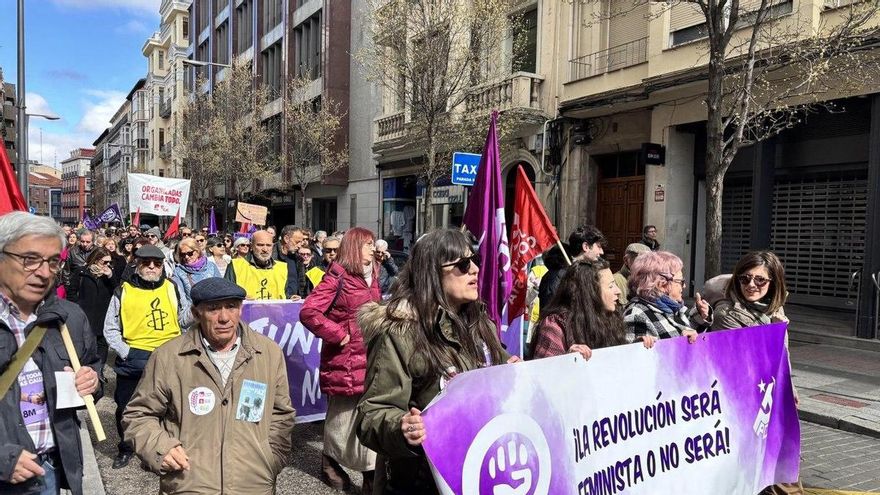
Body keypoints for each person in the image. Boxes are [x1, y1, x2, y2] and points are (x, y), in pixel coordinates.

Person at [356, 229, 518, 494]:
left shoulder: (480, 323)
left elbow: (501, 375)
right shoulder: (399, 331)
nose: (475, 269)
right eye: (463, 265)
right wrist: (402, 427)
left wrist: (525, 371)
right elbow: (371, 415)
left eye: (474, 260)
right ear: (432, 273)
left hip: (480, 471)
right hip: (423, 481)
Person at [123, 278, 295, 494]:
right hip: (188, 483)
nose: (224, 317)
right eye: (213, 309)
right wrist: (160, 449)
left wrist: (271, 459)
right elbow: (138, 415)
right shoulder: (169, 356)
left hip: (253, 484)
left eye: (231, 307)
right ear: (196, 314)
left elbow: (281, 414)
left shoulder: (268, 353)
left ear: (240, 309)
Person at [0, 212, 100, 494]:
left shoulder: (70, 316)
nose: (44, 272)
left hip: (53, 469)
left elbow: (92, 369)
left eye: (53, 261)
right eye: (30, 259)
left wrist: (91, 382)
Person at [710, 252, 801, 494]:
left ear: (774, 283)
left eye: (760, 280)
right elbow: (747, 359)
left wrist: (789, 386)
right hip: (743, 402)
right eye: (745, 278)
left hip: (771, 397)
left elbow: (783, 357)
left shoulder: (774, 311)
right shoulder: (727, 313)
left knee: (773, 466)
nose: (751, 285)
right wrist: (774, 330)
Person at [300, 227, 381, 493]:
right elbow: (309, 312)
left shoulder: (374, 274)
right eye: (368, 244)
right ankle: (330, 462)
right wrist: (339, 335)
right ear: (356, 247)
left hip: (371, 356)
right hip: (344, 359)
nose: (373, 248)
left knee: (369, 413)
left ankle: (370, 472)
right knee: (342, 416)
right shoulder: (338, 275)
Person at [103, 245, 190, 469]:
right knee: (127, 406)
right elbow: (110, 328)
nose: (152, 267)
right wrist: (127, 352)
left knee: (169, 406)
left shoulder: (172, 287)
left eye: (157, 263)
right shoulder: (123, 291)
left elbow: (182, 319)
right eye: (146, 263)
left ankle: (160, 449)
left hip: (169, 356)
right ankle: (126, 448)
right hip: (135, 358)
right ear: (137, 264)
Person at [530, 259, 650, 359]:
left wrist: (634, 348)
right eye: (610, 286)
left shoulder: (610, 318)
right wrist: (568, 360)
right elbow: (545, 376)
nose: (618, 291)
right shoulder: (556, 325)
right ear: (590, 292)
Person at [623, 251, 711, 344]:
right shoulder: (637, 315)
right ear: (660, 284)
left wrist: (700, 315)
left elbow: (690, 332)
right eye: (681, 281)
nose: (684, 286)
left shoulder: (670, 307)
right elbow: (644, 355)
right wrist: (680, 342)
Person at [70, 247, 117, 378]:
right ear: (96, 260)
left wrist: (110, 276)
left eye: (109, 262)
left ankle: (99, 371)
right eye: (104, 262)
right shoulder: (82, 272)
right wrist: (75, 308)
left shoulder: (109, 275)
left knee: (102, 344)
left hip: (103, 313)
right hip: (85, 313)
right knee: (85, 343)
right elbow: (72, 291)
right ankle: (83, 369)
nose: (108, 265)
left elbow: (117, 291)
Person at [538, 225, 606, 312]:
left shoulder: (587, 272)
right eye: (599, 246)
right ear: (586, 246)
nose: (602, 252)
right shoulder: (557, 277)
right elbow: (551, 314)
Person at [225, 231, 300, 300]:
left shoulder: (281, 268)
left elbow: (283, 294)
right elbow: (226, 293)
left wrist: (290, 298)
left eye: (268, 245)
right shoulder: (236, 266)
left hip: (274, 313)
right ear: (251, 246)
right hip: (247, 313)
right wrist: (240, 297)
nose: (265, 249)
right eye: (260, 245)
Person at [172, 237, 221, 304]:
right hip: (193, 311)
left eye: (190, 253)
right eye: (183, 254)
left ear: (197, 251)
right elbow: (181, 300)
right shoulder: (178, 271)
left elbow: (220, 289)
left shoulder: (211, 266)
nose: (186, 257)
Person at [61, 230, 95, 301]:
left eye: (88, 242)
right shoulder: (72, 252)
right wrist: (69, 288)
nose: (85, 244)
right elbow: (66, 271)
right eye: (82, 241)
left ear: (93, 241)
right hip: (76, 290)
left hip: (92, 289)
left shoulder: (97, 251)